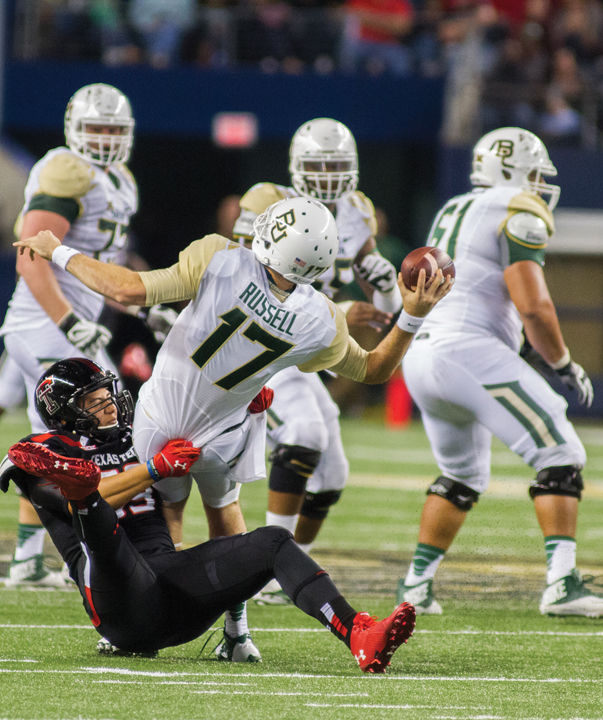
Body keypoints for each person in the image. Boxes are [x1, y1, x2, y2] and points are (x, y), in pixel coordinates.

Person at [14, 195, 451, 653]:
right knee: (229, 521)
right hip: (225, 432)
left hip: (162, 421)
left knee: (163, 524)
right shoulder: (322, 319)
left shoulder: (221, 257)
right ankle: (238, 633)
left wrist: (58, 251)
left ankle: (140, 624)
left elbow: (128, 290)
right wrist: (412, 315)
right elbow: (375, 369)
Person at [0, 357, 416, 673]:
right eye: (94, 401)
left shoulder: (139, 435)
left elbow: (201, 420)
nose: (109, 407)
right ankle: (84, 487)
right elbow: (73, 499)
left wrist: (239, 407)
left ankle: (360, 633)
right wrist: (153, 470)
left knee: (272, 541)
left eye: (109, 396)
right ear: (65, 413)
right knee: (95, 515)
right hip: (116, 600)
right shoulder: (40, 452)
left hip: (173, 594)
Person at [396, 126, 603, 618]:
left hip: (424, 352)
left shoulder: (454, 207)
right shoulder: (517, 207)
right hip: (466, 349)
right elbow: (533, 305)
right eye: (533, 174)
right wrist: (561, 362)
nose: (538, 185)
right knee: (561, 450)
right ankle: (561, 584)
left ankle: (416, 588)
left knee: (461, 474)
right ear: (511, 172)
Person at [232, 118, 403, 604]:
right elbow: (245, 286)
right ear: (295, 167)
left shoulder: (356, 211)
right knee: (304, 433)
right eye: (317, 164)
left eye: (336, 165)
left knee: (332, 476)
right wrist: (339, 311)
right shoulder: (268, 202)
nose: (327, 174)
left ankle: (290, 566)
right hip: (263, 348)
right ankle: (267, 568)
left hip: (306, 347)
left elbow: (381, 308)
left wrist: (386, 286)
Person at [0, 82, 138, 587]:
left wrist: (142, 299)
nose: (103, 138)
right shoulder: (67, 168)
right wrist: (68, 319)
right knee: (73, 443)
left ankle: (30, 558)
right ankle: (41, 556)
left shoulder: (118, 179)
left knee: (55, 440)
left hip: (55, 327)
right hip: (47, 326)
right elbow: (29, 251)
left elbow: (106, 260)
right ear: (74, 129)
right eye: (95, 128)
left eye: (112, 129)